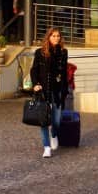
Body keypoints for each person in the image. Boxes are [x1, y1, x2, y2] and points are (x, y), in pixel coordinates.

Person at [32, 27, 69, 158]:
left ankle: (53, 134)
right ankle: (46, 147)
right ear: (48, 37)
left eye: (58, 36)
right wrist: (35, 84)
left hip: (57, 89)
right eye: (53, 36)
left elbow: (64, 72)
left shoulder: (63, 52)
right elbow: (34, 70)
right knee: (43, 120)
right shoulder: (40, 52)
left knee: (57, 120)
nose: (56, 38)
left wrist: (65, 88)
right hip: (43, 89)